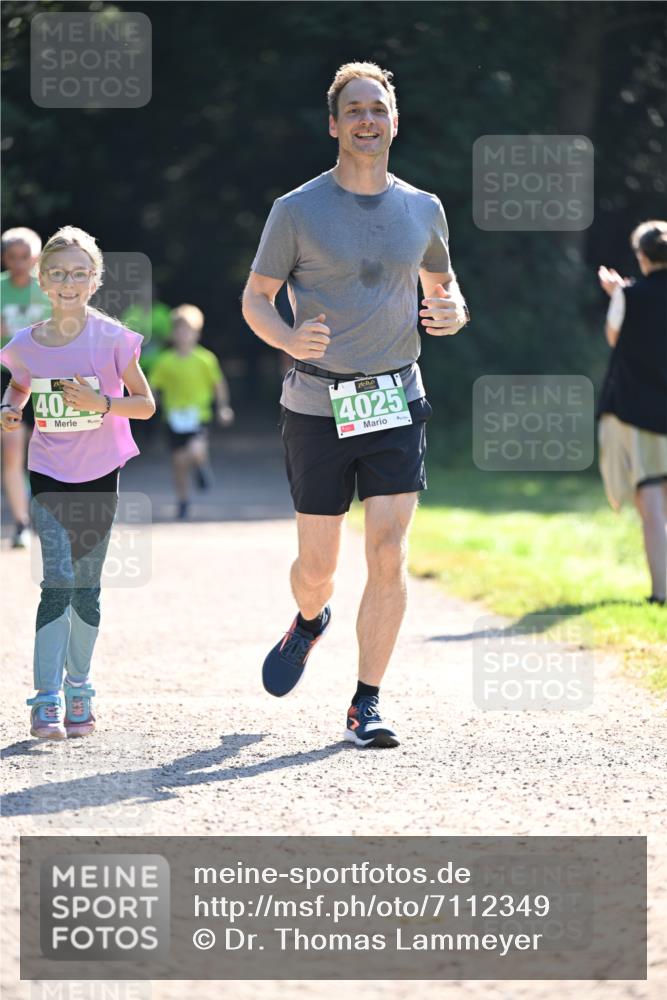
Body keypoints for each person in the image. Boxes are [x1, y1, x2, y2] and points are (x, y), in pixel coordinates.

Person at [241, 61, 469, 748]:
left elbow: (443, 287)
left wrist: (453, 310)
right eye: (355, 110)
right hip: (317, 403)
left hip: (396, 396)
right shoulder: (297, 210)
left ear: (393, 122)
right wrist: (287, 335)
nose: (368, 120)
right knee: (317, 569)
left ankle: (365, 702)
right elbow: (255, 297)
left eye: (378, 108)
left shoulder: (422, 208)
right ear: (334, 124)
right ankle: (310, 620)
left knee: (388, 550)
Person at [0, 226, 155, 740]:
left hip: (99, 473)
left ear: (95, 280)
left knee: (86, 588)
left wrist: (102, 404)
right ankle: (45, 700)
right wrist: (9, 408)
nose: (69, 282)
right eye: (59, 273)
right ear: (43, 281)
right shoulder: (26, 343)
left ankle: (79, 689)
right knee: (56, 582)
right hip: (48, 471)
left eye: (79, 273)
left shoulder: (113, 339)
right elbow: (21, 385)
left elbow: (146, 404)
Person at [597, 220, 667, 606]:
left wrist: (618, 295)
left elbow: (614, 339)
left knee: (652, 503)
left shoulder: (632, 295)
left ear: (642, 257)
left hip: (641, 414)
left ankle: (661, 593)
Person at [150, 304, 234, 519]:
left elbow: (218, 385)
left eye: (188, 330)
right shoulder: (164, 361)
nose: (184, 335)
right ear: (172, 334)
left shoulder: (205, 359)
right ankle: (183, 500)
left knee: (196, 450)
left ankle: (201, 464)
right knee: (178, 463)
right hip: (174, 418)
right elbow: (153, 387)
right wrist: (151, 403)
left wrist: (223, 407)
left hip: (199, 416)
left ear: (197, 333)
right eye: (179, 330)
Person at [1, 228, 52, 548]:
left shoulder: (49, 290)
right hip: (8, 377)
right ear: (5, 258)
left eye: (27, 256)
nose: (20, 263)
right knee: (11, 450)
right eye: (13, 257)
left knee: (48, 450)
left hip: (47, 376)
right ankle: (21, 523)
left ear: (37, 258)